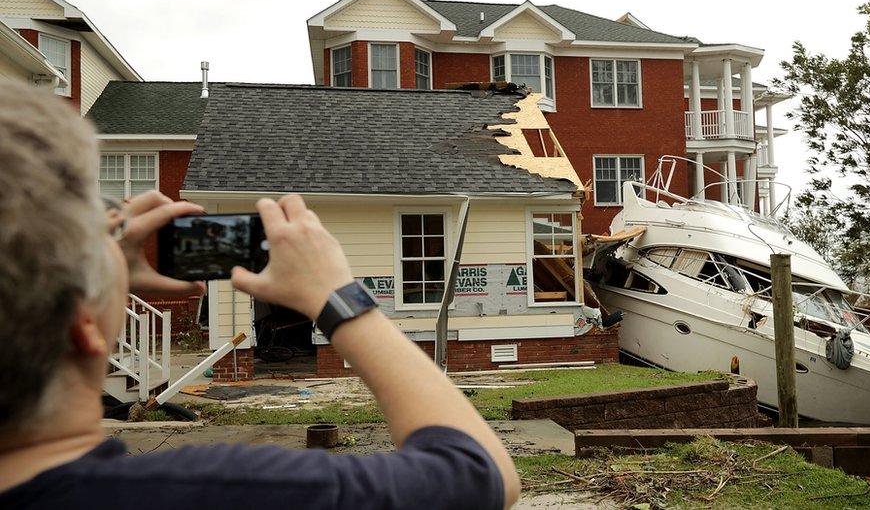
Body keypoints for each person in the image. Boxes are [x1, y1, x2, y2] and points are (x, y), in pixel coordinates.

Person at [0, 82, 520, 509]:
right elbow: (480, 472)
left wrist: (93, 276)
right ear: (83, 325)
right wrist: (342, 299)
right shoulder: (212, 492)